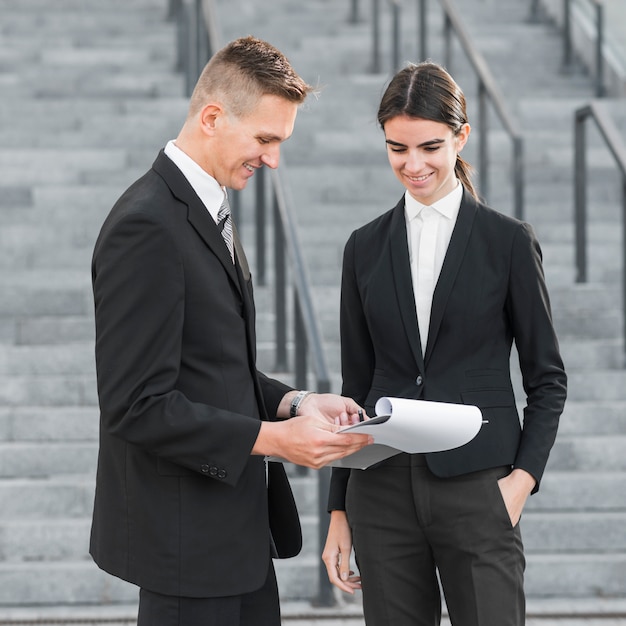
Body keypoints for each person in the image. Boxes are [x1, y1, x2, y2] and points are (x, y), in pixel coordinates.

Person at [89, 35, 372, 626]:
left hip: (235, 545)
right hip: (186, 552)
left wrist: (295, 403)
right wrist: (274, 440)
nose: (272, 160)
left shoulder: (204, 206)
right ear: (213, 118)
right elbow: (137, 405)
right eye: (265, 139)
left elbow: (213, 365)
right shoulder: (146, 225)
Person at [322, 62, 567, 626]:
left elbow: (547, 379)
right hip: (381, 491)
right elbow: (354, 388)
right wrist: (339, 507)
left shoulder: (507, 242)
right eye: (396, 148)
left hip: (479, 487)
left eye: (430, 146)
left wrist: (520, 482)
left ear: (461, 137)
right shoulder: (362, 247)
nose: (413, 165)